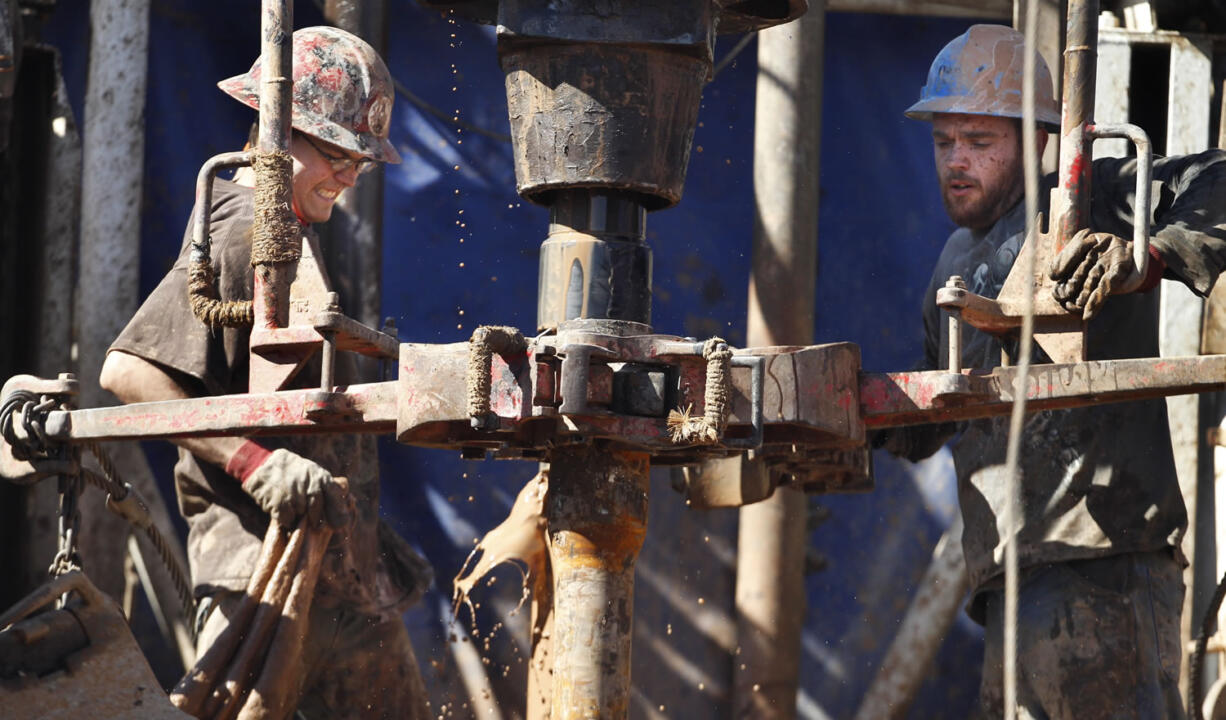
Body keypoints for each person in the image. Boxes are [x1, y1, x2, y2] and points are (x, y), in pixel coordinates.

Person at [879, 23, 1226, 718]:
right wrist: (867, 415)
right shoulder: (951, 261)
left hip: (1101, 564)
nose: (956, 161)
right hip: (1008, 582)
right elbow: (937, 403)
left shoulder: (1088, 199)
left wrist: (1147, 256)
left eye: (980, 143)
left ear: (1037, 138)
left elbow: (1218, 182)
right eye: (945, 142)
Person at [99, 26, 432, 719]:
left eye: (359, 162)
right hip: (264, 566)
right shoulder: (247, 223)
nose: (346, 175)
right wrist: (254, 464)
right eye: (335, 153)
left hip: (336, 570)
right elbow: (126, 372)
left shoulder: (287, 232)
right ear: (279, 133)